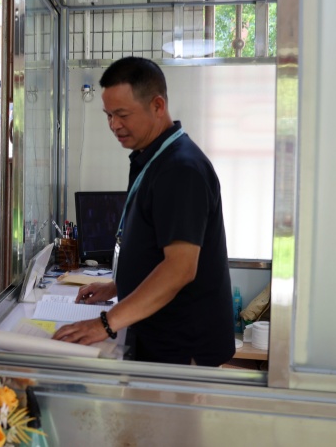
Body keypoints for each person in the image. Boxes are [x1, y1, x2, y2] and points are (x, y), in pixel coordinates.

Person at [53, 57, 235, 367]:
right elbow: (154, 248)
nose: (114, 125)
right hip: (155, 335)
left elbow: (179, 269)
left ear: (158, 105)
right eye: (109, 115)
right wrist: (117, 286)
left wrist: (105, 323)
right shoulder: (152, 158)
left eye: (122, 114)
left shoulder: (181, 169)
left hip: (182, 348)